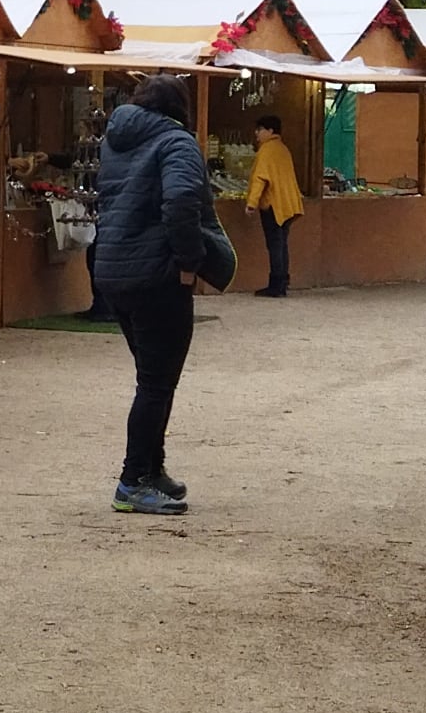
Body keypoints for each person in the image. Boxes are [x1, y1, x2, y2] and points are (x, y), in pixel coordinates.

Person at [89, 79, 231, 514]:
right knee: (156, 382)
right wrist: (191, 260)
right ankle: (132, 482)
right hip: (157, 274)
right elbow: (182, 199)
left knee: (152, 377)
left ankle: (153, 468)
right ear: (180, 107)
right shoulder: (177, 142)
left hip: (113, 269)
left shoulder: (117, 142)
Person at [245, 118, 305, 298]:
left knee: (275, 245)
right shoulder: (283, 149)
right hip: (288, 204)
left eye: (260, 129)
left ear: (270, 131)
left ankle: (276, 285)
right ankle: (283, 281)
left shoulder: (266, 151)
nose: (257, 133)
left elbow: (260, 179)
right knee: (282, 244)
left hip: (273, 205)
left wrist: (251, 203)